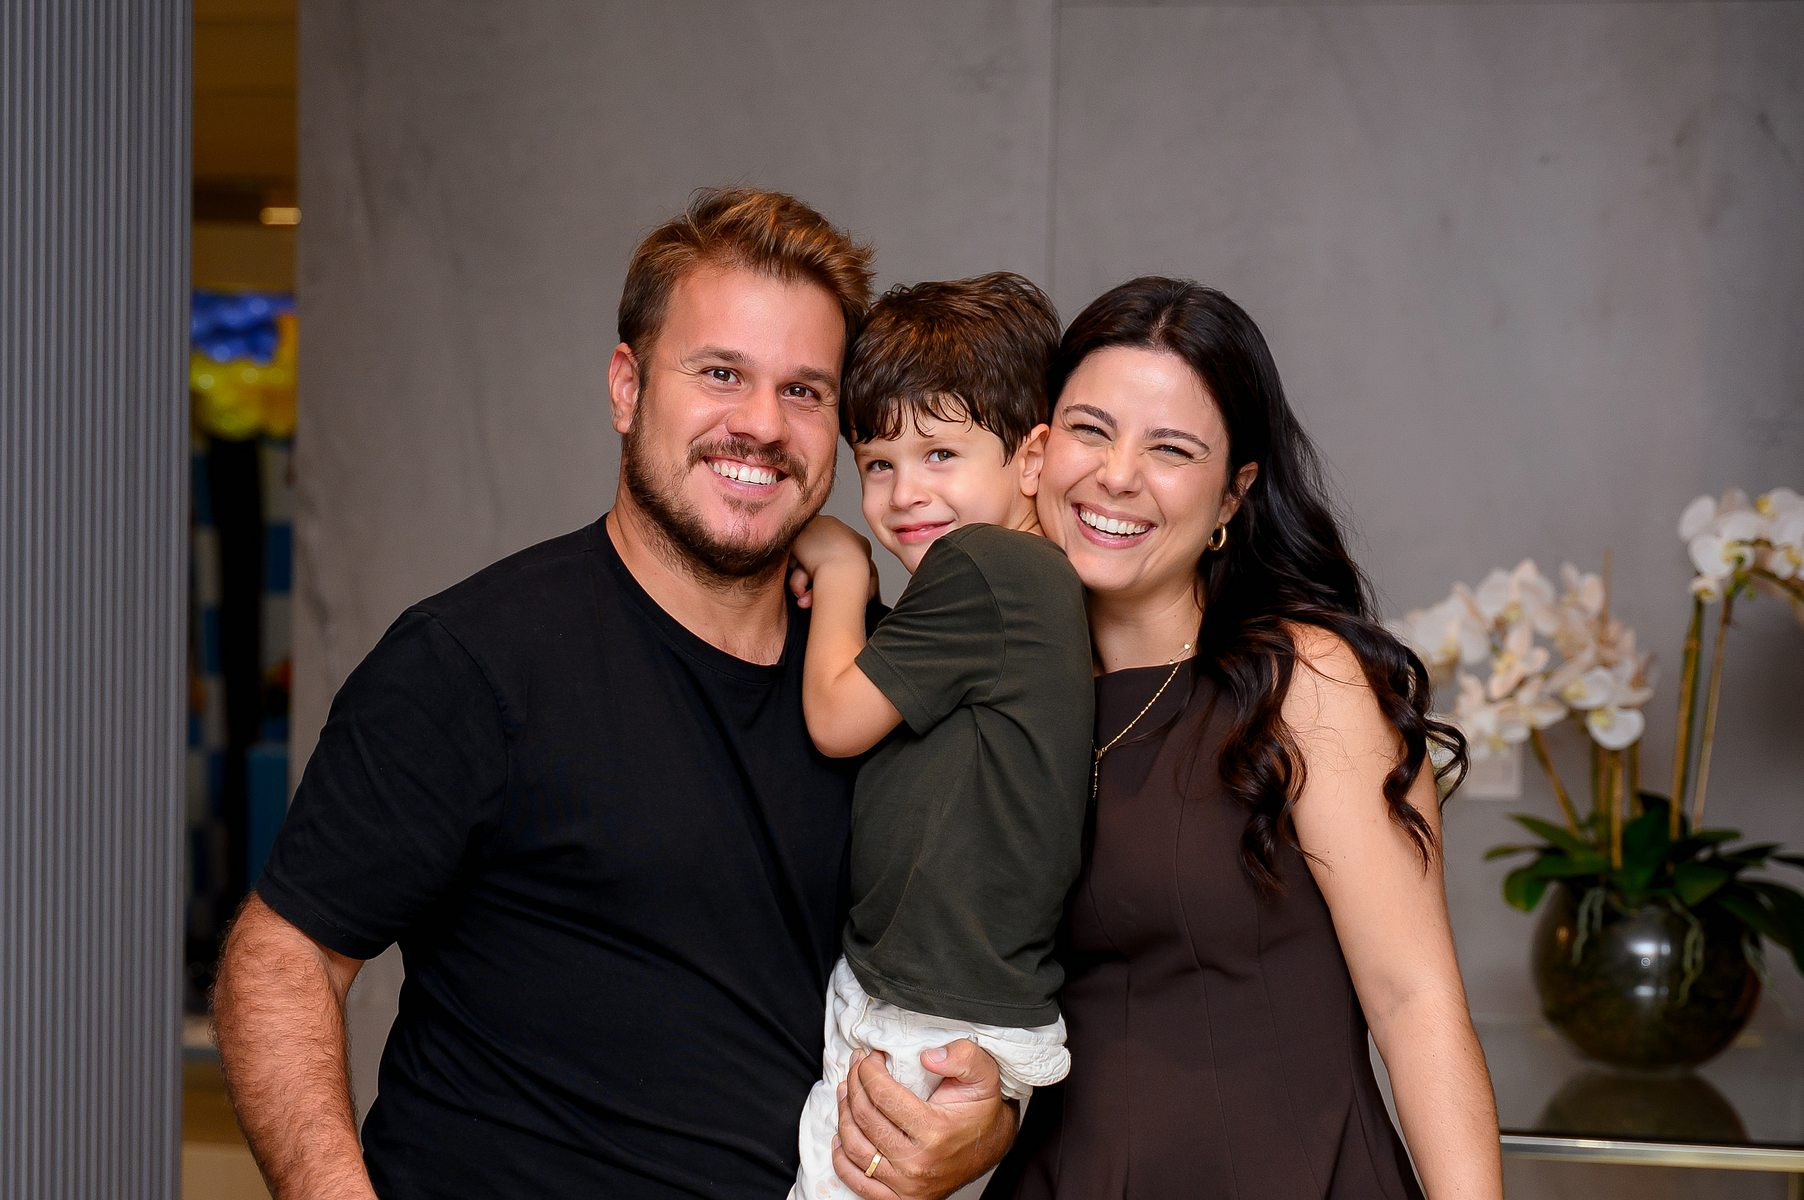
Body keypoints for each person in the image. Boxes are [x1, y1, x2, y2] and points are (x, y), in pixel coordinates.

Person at [210, 187, 1018, 1200]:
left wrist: (986, 1121)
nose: (761, 424)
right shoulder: (472, 661)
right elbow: (283, 954)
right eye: (720, 373)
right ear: (627, 389)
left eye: (805, 391)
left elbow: (976, 959)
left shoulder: (890, 681)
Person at [877, 276, 1493, 1199]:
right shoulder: (994, 693)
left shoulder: (1304, 682)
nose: (1117, 475)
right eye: (1090, 430)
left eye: (1171, 449)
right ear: (1038, 449)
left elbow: (1416, 1001)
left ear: (1233, 495)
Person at [781, 274, 1094, 1200]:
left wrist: (841, 567)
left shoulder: (986, 564)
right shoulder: (1020, 583)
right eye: (878, 464)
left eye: (940, 453)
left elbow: (836, 719)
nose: (904, 492)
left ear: (1032, 457)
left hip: (928, 1012)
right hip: (927, 997)